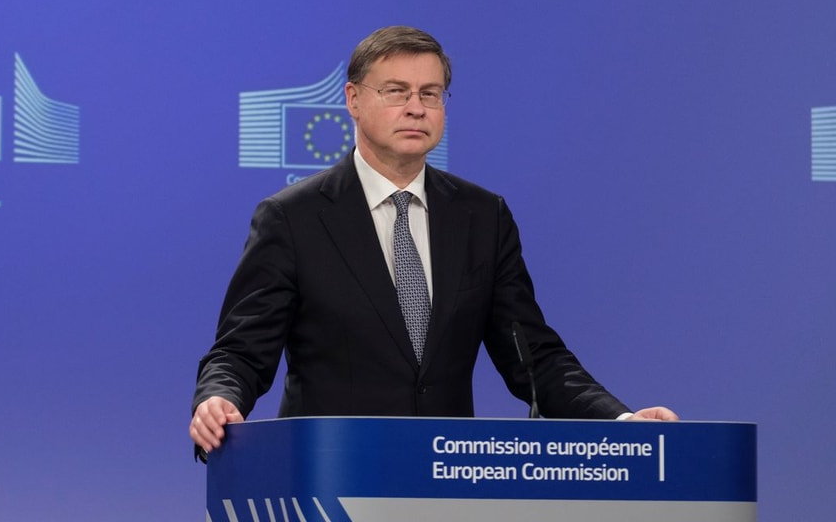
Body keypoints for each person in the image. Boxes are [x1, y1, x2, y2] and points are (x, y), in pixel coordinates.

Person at [190, 26, 675, 456]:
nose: (416, 108)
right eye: (396, 91)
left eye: (431, 93)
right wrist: (220, 399)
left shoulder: (482, 216)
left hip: (443, 479)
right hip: (332, 471)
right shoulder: (293, 217)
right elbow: (241, 351)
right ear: (353, 100)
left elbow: (534, 359)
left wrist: (621, 424)